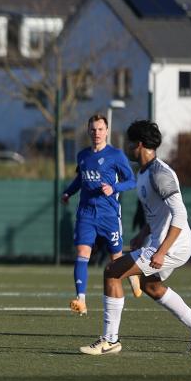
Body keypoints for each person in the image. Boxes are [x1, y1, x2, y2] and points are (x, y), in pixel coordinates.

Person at [80, 120, 191, 355]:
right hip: (160, 241)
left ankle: (110, 340)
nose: (126, 147)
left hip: (172, 244)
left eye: (129, 143)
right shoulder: (142, 173)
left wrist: (162, 251)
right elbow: (157, 212)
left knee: (112, 271)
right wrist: (143, 233)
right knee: (150, 286)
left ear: (139, 144)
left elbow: (180, 214)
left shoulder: (160, 174)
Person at [61, 115, 140, 316]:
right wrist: (69, 192)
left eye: (100, 129)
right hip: (86, 214)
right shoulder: (83, 156)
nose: (97, 133)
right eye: (93, 129)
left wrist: (113, 188)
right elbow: (80, 179)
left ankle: (133, 277)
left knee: (116, 258)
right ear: (88, 131)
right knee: (82, 254)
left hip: (109, 215)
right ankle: (81, 300)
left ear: (107, 130)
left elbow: (131, 181)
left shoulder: (116, 155)